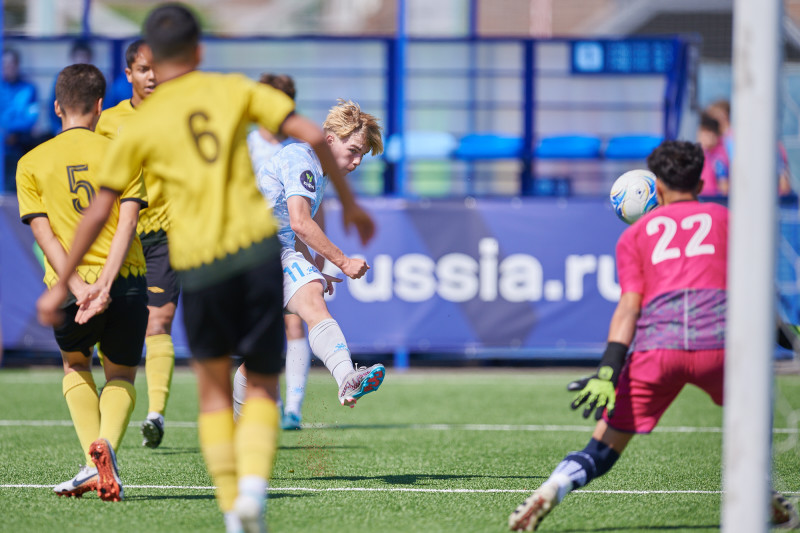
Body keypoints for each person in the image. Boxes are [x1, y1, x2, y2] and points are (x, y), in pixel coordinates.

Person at [35, 4, 375, 532]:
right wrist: (351, 203)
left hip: (200, 259)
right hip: (258, 250)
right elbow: (309, 131)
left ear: (150, 62)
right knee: (263, 383)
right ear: (199, 53)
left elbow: (104, 205)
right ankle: (253, 496)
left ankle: (231, 507)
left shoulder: (138, 126)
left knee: (215, 388)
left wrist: (71, 280)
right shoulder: (234, 90)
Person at [508, 140, 799, 531]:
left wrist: (608, 371)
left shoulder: (635, 235)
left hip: (657, 351)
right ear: (701, 179)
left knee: (603, 447)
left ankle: (556, 485)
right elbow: (753, 297)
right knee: (755, 414)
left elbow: (629, 307)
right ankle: (758, 487)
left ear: (657, 187)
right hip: (720, 348)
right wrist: (791, 337)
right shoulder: (726, 219)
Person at [16, 63, 147, 502]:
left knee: (75, 365)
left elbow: (43, 233)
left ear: (56, 107)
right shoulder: (122, 152)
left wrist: (77, 289)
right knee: (122, 372)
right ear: (98, 106)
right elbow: (128, 221)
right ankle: (104, 448)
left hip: (70, 288)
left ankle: (92, 465)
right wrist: (106, 285)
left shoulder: (31, 162)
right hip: (124, 281)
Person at [233, 98, 385, 427]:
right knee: (293, 320)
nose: (357, 161)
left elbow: (295, 231)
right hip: (251, 251)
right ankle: (346, 377)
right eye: (354, 150)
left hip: (271, 251)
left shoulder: (318, 170)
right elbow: (300, 222)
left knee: (271, 343)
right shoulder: (300, 159)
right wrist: (342, 262)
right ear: (330, 140)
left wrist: (312, 267)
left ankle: (238, 429)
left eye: (362, 155)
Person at [95, 39, 173, 449]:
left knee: (158, 321)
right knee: (102, 326)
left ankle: (155, 415)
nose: (152, 75)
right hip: (118, 235)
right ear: (129, 74)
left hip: (165, 233)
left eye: (157, 67)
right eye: (144, 69)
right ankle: (102, 426)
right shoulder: (106, 122)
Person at [240, 72, 320, 430]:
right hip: (250, 248)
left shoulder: (300, 149)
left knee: (296, 322)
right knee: (262, 334)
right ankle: (262, 403)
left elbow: (309, 210)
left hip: (286, 247)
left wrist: (316, 254)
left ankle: (294, 408)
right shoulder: (245, 146)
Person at [706, 99, 793, 197]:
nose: (709, 123)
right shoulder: (771, 142)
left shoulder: (730, 140)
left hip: (744, 196)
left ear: (723, 116)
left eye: (710, 118)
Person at [1, 48, 39, 191]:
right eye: (4, 64)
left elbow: (31, 118)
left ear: (17, 65)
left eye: (11, 65)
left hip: (20, 144)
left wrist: (12, 131)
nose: (7, 68)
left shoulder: (29, 88)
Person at [49, 40, 95, 136]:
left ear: (90, 59)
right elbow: (52, 110)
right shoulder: (60, 80)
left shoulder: (97, 81)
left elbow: (105, 109)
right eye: (78, 56)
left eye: (85, 57)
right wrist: (58, 129)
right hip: (64, 132)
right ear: (72, 58)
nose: (81, 60)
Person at [696, 111, 729, 196]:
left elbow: (724, 186)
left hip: (712, 199)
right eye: (702, 133)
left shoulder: (718, 158)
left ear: (716, 136)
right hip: (701, 198)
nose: (703, 137)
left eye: (708, 134)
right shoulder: (700, 154)